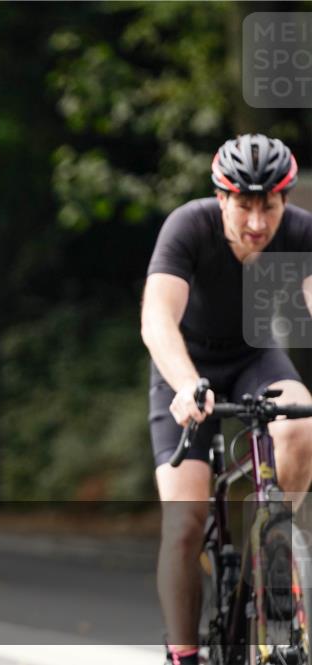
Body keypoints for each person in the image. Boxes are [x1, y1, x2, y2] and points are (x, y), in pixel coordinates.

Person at [140, 133, 312, 665]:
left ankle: (272, 543)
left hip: (254, 357)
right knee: (185, 523)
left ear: (285, 200)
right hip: (184, 365)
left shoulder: (301, 232)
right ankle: (184, 653)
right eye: (244, 205)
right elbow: (157, 318)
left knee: (300, 422)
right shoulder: (189, 226)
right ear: (221, 198)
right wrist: (186, 384)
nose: (257, 222)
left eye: (269, 206)